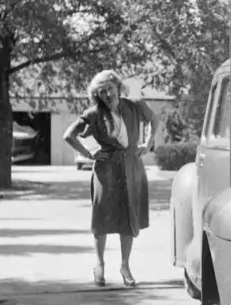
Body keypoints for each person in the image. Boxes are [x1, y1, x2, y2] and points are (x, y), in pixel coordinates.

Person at [63, 70, 159, 287]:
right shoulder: (94, 114)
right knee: (102, 217)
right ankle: (99, 264)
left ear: (118, 87)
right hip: (106, 170)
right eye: (101, 92)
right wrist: (89, 154)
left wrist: (148, 143)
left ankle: (125, 266)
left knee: (129, 217)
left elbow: (154, 120)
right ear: (97, 95)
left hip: (132, 167)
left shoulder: (135, 105)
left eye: (109, 89)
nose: (107, 94)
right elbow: (68, 135)